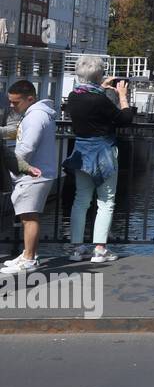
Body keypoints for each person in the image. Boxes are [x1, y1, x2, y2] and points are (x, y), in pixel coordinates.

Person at [62, 55, 136, 263]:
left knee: (81, 200)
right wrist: (122, 95)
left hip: (81, 152)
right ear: (99, 75)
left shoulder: (73, 96)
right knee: (106, 201)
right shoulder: (100, 99)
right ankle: (100, 249)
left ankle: (77, 248)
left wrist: (100, 86)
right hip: (103, 152)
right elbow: (125, 119)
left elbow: (91, 99)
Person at [1, 81, 57, 275]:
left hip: (33, 174)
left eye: (15, 102)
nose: (12, 106)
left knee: (29, 217)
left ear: (29, 99)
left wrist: (13, 169)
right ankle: (27, 253)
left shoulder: (35, 118)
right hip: (39, 172)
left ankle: (29, 259)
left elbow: (26, 148)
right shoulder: (40, 114)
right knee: (28, 216)